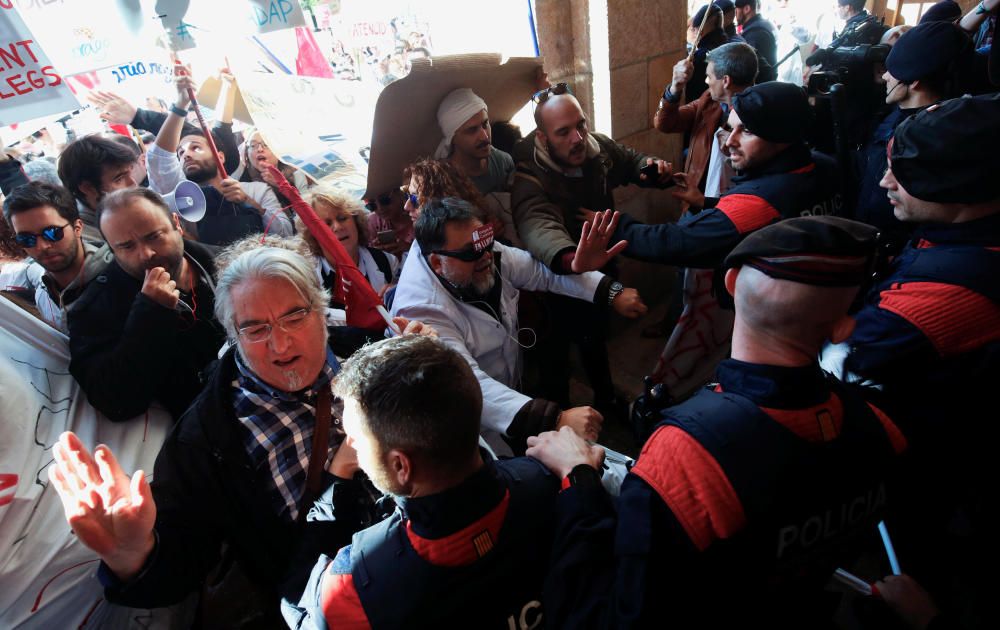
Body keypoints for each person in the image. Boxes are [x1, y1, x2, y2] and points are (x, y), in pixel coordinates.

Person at [529, 216, 906, 627]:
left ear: (729, 282)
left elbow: (616, 616)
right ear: (842, 326)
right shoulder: (880, 428)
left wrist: (578, 477)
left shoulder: (684, 457)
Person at [49, 242, 434, 622]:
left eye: (295, 316)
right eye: (255, 328)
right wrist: (131, 555)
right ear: (232, 333)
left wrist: (429, 371)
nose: (280, 344)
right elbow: (182, 568)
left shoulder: (369, 353)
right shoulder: (207, 439)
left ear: (321, 311)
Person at [839, 94, 1000, 617]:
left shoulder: (958, 286)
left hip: (935, 460)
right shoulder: (958, 237)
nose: (885, 183)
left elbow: (854, 353)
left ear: (958, 187)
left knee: (915, 552)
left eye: (903, 175)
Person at [287, 335, 563, 627]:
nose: (351, 443)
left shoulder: (354, 587)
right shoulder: (554, 481)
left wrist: (338, 481)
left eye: (356, 437)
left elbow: (301, 607)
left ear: (400, 466)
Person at [609, 82, 842, 397]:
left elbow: (676, 242)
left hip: (763, 330)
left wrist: (613, 227)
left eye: (745, 132)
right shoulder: (825, 167)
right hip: (814, 317)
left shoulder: (759, 202)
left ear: (781, 137)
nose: (728, 142)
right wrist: (707, 204)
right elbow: (775, 216)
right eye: (729, 128)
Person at [391, 198, 646, 456]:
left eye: (486, 243)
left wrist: (610, 291)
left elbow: (541, 272)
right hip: (473, 425)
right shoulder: (421, 311)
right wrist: (554, 419)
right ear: (436, 263)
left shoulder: (481, 252)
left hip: (513, 391)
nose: (485, 257)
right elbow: (467, 382)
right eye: (471, 253)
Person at [510, 85, 669, 416]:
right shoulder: (530, 178)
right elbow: (539, 225)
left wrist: (649, 168)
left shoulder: (596, 148)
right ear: (542, 137)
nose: (578, 138)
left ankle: (607, 404)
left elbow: (627, 161)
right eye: (564, 132)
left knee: (595, 341)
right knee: (555, 359)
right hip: (557, 282)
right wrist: (572, 258)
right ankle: (561, 421)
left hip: (600, 274)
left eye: (580, 125)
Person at [66, 187, 225, 422]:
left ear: (176, 224)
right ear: (111, 249)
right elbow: (114, 402)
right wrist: (150, 315)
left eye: (154, 236)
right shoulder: (94, 310)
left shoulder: (227, 262)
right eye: (127, 246)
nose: (146, 254)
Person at [853, 21, 972, 256]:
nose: (886, 76)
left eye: (892, 69)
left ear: (913, 79)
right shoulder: (896, 114)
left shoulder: (931, 139)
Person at [145, 65, 291, 246]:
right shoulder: (183, 201)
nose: (187, 155)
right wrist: (181, 104)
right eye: (181, 153)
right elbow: (159, 160)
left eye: (196, 148)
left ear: (220, 157)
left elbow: (285, 233)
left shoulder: (257, 191)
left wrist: (249, 202)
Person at [655, 42, 758, 214]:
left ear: (725, 81)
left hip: (735, 211)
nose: (706, 81)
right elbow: (665, 123)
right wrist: (675, 88)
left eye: (709, 76)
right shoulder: (708, 102)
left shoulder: (761, 117)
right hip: (696, 203)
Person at [2, 182, 112, 331]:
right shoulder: (43, 293)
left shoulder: (120, 276)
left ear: (77, 228)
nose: (42, 246)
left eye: (52, 233)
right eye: (26, 239)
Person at [296, 186, 398, 321]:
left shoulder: (387, 262)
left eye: (342, 218)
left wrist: (396, 294)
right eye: (326, 223)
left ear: (356, 221)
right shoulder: (305, 279)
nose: (337, 227)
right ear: (312, 234)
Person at [56, 135, 140, 245]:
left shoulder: (125, 209)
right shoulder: (85, 239)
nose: (133, 184)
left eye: (130, 173)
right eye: (119, 179)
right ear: (87, 188)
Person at [434, 88, 515, 195]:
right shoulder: (443, 181)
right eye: (472, 130)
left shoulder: (503, 162)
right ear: (452, 139)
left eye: (485, 124)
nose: (485, 136)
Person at [686, 4, 731, 103]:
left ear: (698, 30)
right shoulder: (728, 46)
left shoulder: (700, 56)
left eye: (692, 29)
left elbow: (690, 91)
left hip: (702, 107)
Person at [734, 0, 778, 82]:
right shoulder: (766, 24)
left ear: (747, 9)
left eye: (736, 10)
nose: (734, 14)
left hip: (760, 88)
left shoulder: (754, 34)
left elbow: (751, 69)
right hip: (769, 83)